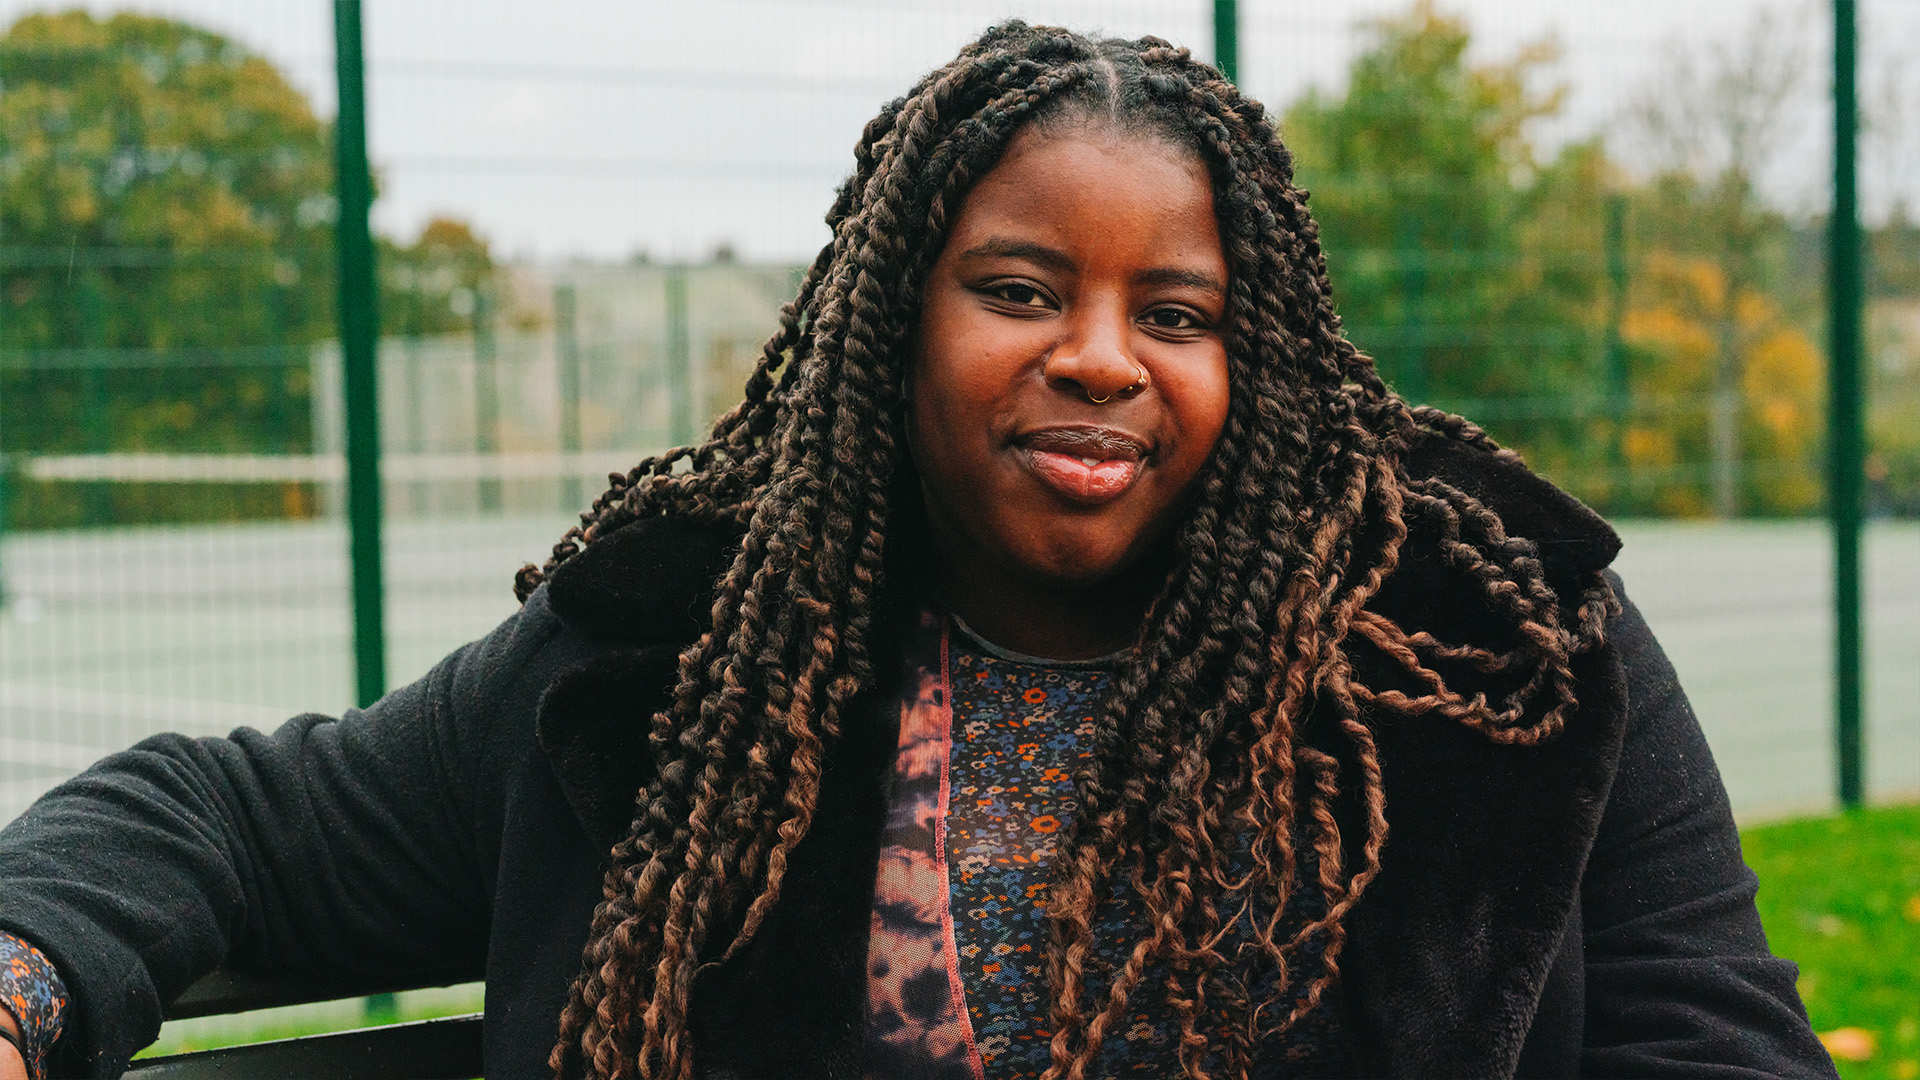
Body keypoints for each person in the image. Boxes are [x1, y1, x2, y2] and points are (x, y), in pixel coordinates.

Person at [0, 22, 1837, 1080]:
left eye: (1176, 312)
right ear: (898, 323)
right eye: (1022, 289)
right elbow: (237, 821)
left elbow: (1709, 1037)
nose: (1100, 356)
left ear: (1250, 356)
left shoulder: (1484, 642)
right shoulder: (686, 651)